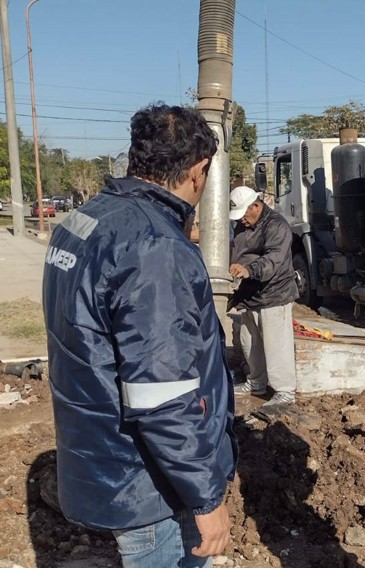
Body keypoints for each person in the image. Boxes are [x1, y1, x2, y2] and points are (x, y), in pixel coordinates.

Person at [42, 104, 237, 568]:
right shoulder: (155, 247)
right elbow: (162, 393)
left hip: (103, 456)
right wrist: (207, 498)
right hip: (149, 483)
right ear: (198, 171)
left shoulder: (85, 220)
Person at [228, 185, 298, 409]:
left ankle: (285, 391)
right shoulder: (243, 224)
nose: (242, 220)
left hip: (274, 293)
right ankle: (256, 382)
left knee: (277, 345)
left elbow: (273, 259)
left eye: (244, 214)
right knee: (249, 342)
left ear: (256, 206)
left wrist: (248, 270)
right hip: (251, 294)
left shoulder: (276, 225)